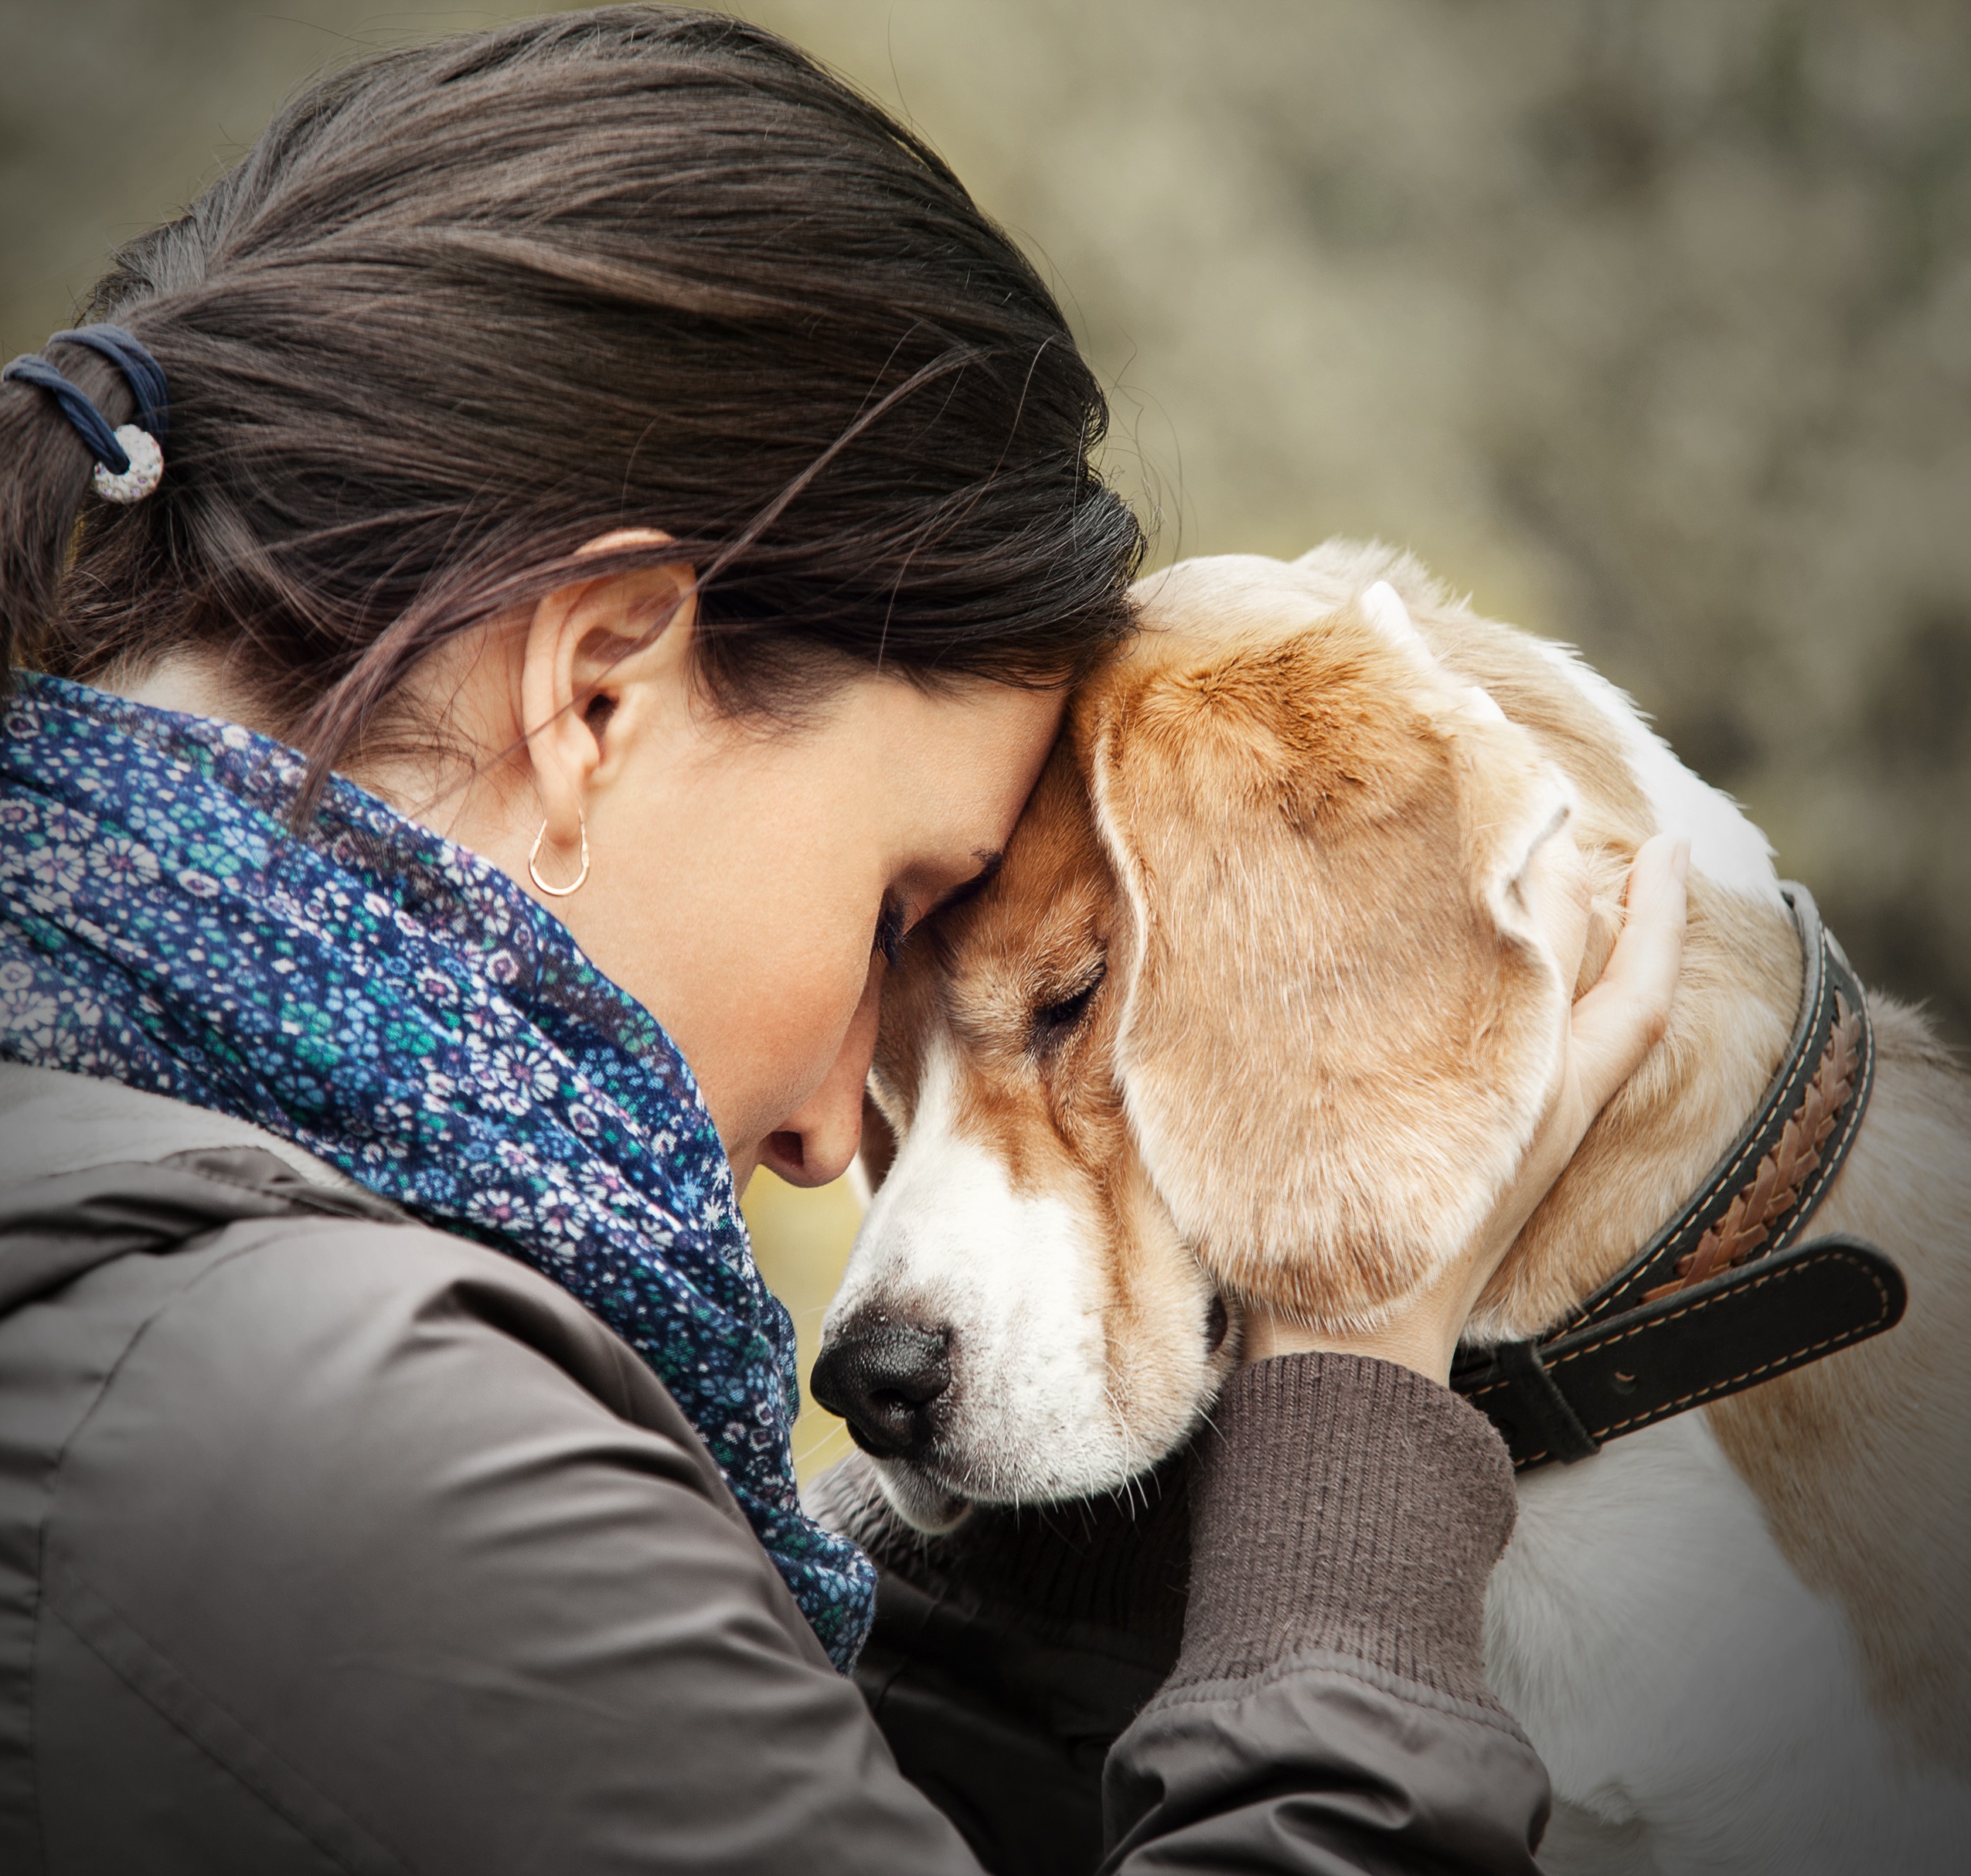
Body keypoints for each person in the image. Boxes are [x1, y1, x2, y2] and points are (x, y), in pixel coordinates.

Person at [0, 9, 1686, 1872]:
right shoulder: (323, 1424)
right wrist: (1352, 1416)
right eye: (896, 905)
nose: (825, 1137)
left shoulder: (131, 1230)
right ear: (599, 691)